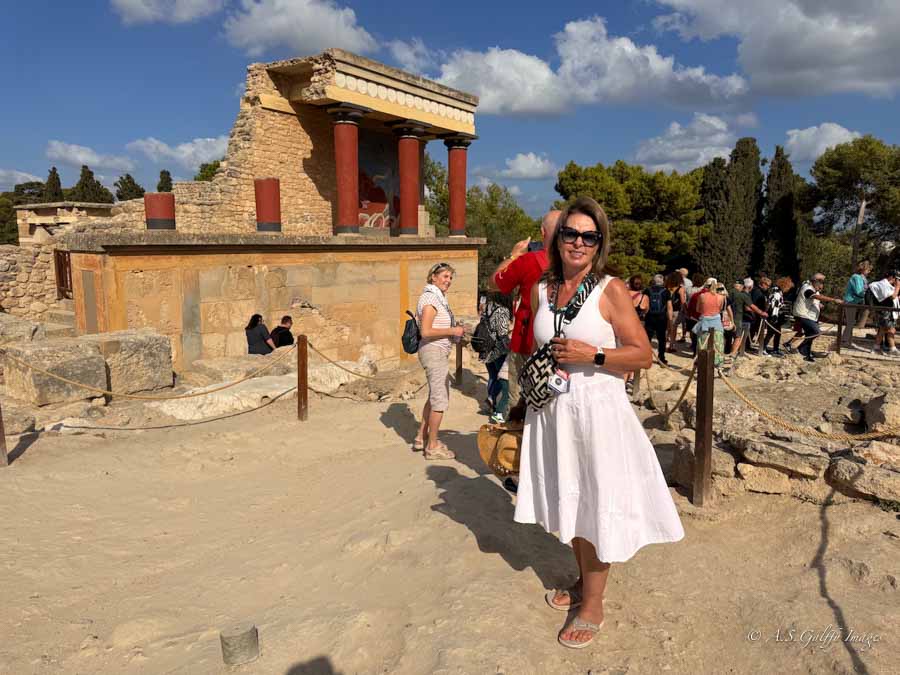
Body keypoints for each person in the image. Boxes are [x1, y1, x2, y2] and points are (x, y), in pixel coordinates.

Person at [514, 197, 684, 649]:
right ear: (557, 238)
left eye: (589, 236)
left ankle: (593, 604)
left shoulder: (610, 289)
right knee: (569, 500)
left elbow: (643, 354)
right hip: (553, 413)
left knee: (595, 503)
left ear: (599, 243)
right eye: (571, 233)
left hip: (597, 416)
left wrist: (595, 355)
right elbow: (539, 347)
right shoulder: (542, 290)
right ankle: (583, 582)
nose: (578, 243)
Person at [491, 210, 561, 419]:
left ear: (542, 232)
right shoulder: (577, 265)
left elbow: (495, 282)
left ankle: (519, 445)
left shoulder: (527, 261)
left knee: (518, 402)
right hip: (562, 346)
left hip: (526, 341)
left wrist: (514, 255)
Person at [413, 263, 466, 459]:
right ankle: (432, 446)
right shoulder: (430, 298)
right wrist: (453, 331)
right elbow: (425, 331)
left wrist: (455, 331)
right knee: (440, 400)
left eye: (450, 277)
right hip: (433, 352)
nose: (448, 281)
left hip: (437, 351)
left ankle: (421, 437)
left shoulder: (437, 297)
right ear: (433, 277)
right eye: (444, 276)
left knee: (434, 396)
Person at [792, 272, 843, 362]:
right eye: (821, 282)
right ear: (815, 282)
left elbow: (813, 299)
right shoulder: (807, 288)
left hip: (806, 315)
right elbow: (815, 296)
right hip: (802, 315)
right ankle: (800, 348)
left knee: (810, 334)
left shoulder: (810, 288)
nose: (822, 285)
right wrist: (833, 300)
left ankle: (805, 354)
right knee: (815, 331)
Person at [481, 293, 512, 423]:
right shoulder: (502, 311)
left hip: (487, 349)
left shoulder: (488, 307)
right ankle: (496, 406)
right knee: (502, 379)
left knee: (493, 377)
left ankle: (491, 402)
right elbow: (502, 333)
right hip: (499, 350)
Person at [691, 278, 725, 363]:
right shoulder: (721, 297)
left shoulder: (702, 296)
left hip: (704, 323)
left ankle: (702, 363)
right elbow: (720, 310)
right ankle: (717, 364)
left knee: (702, 345)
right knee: (718, 345)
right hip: (716, 323)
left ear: (706, 285)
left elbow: (698, 309)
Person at [729, 280, 767, 356]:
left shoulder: (728, 293)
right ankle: (732, 354)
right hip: (738, 317)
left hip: (727, 317)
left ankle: (727, 352)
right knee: (738, 337)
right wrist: (762, 313)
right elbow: (752, 306)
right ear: (742, 286)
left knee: (728, 337)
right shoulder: (742, 295)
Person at [842, 260, 872, 350]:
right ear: (863, 269)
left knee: (851, 322)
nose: (869, 271)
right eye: (868, 269)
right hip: (850, 301)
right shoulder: (857, 277)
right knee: (850, 322)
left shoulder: (862, 278)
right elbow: (859, 291)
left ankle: (847, 341)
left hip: (855, 302)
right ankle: (844, 341)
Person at [643, 274, 672, 364]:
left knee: (648, 338)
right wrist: (670, 320)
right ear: (662, 281)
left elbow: (645, 304)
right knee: (661, 339)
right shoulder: (666, 291)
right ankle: (661, 358)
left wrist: (644, 315)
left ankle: (646, 357)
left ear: (654, 281)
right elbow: (669, 307)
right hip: (661, 317)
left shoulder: (647, 290)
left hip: (649, 317)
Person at [869, 271, 899, 356]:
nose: (896, 281)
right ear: (891, 277)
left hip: (888, 312)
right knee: (890, 330)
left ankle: (876, 348)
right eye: (896, 279)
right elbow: (892, 296)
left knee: (883, 330)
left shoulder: (886, 285)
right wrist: (898, 287)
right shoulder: (883, 284)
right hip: (885, 312)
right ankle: (892, 348)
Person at [762, 278, 793, 356]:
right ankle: (763, 348)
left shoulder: (778, 292)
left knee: (778, 333)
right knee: (770, 333)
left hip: (777, 316)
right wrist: (773, 317)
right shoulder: (777, 294)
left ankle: (775, 349)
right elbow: (773, 305)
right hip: (774, 316)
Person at [748, 277, 770, 352]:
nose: (768, 287)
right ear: (763, 284)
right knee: (753, 330)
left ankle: (749, 346)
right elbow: (753, 304)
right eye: (767, 285)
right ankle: (748, 346)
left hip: (759, 314)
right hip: (755, 314)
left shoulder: (763, 292)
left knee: (755, 331)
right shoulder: (757, 291)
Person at [665, 271, 686, 351]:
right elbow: (682, 302)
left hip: (666, 309)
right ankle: (672, 345)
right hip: (676, 311)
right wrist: (684, 311)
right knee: (674, 328)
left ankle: (666, 340)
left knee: (667, 327)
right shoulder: (680, 289)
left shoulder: (667, 287)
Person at [718, 283, 736, 355]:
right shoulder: (725, 298)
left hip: (717, 317)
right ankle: (726, 351)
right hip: (725, 317)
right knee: (728, 335)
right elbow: (729, 310)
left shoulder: (715, 297)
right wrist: (732, 321)